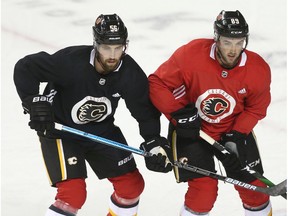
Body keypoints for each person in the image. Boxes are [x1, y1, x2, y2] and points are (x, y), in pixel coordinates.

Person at [13, 14, 172, 216]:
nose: (113, 55)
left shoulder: (130, 73)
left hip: (101, 129)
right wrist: (35, 103)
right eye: (106, 47)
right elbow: (26, 67)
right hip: (60, 130)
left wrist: (153, 141)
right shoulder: (70, 63)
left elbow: (144, 112)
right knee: (72, 195)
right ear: (95, 45)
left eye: (118, 47)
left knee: (131, 187)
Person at [148, 10, 272, 216]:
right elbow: (157, 83)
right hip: (192, 130)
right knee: (202, 195)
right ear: (216, 38)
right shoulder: (191, 55)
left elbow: (256, 108)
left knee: (256, 192)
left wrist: (238, 134)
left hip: (232, 128)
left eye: (239, 42)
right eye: (227, 42)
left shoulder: (258, 69)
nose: (233, 50)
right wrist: (178, 114)